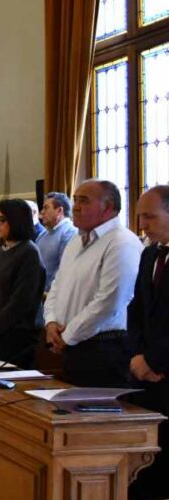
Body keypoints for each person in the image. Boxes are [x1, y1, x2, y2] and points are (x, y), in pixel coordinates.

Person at [44, 180, 142, 388]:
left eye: (84, 201)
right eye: (75, 200)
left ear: (107, 207)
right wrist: (51, 322)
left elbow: (109, 301)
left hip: (105, 348)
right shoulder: (75, 241)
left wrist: (67, 336)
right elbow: (57, 285)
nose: (76, 207)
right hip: (73, 345)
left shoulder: (122, 243)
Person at [126, 185, 169, 500]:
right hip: (146, 375)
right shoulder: (149, 253)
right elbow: (137, 308)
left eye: (151, 216)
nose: (142, 223)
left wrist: (154, 360)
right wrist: (137, 355)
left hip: (165, 369)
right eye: (140, 215)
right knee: (148, 462)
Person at [0, 200, 46, 368]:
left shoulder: (29, 253)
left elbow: (20, 302)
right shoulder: (0, 252)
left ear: (17, 221)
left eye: (2, 220)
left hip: (16, 336)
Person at [37, 192, 77, 292]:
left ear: (59, 211)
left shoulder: (69, 233)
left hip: (52, 295)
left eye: (46, 208)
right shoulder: (43, 234)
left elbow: (63, 269)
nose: (42, 212)